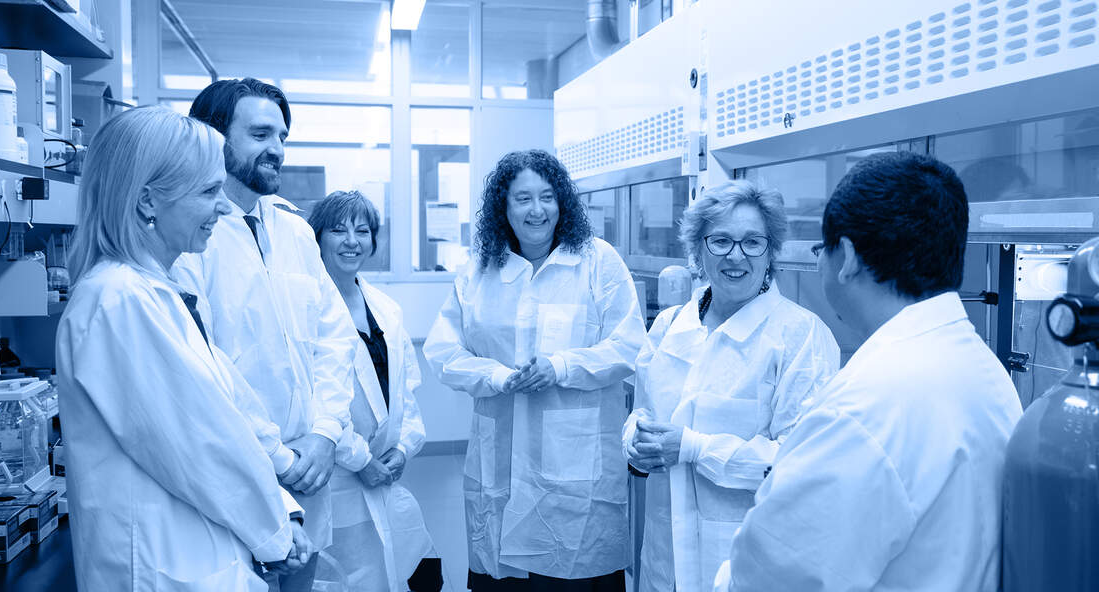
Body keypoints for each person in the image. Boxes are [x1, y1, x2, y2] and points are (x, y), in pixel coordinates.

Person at [715, 152, 1024, 591]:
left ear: (849, 259)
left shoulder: (862, 407)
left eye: (824, 250)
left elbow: (770, 577)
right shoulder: (982, 370)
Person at [56, 106, 313, 591]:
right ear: (149, 201)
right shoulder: (120, 300)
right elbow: (201, 444)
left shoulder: (157, 291)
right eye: (208, 191)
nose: (223, 207)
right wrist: (276, 532)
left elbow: (231, 412)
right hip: (164, 568)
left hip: (198, 559)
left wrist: (280, 512)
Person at [424, 149, 647, 591]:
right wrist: (498, 376)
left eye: (547, 197)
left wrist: (560, 366)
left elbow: (629, 345)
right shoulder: (481, 270)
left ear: (562, 202)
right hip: (498, 465)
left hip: (577, 475)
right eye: (522, 198)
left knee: (573, 573)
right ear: (503, 209)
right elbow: (443, 351)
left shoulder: (598, 261)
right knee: (503, 578)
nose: (536, 209)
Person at [171, 78, 358, 592]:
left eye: (282, 135)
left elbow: (334, 340)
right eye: (259, 133)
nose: (276, 148)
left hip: (311, 470)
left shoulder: (294, 229)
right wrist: (276, 454)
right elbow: (200, 366)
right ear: (213, 136)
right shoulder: (188, 237)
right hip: (236, 474)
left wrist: (324, 434)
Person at [623, 180, 841, 592]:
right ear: (699, 250)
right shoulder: (670, 326)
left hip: (746, 565)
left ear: (771, 252)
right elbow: (642, 414)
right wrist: (634, 442)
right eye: (720, 240)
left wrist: (693, 447)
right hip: (663, 561)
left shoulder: (800, 337)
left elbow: (800, 464)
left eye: (752, 242)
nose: (736, 256)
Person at [308, 190, 444, 592]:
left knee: (421, 571)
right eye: (338, 230)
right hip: (336, 479)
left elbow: (406, 393)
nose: (352, 241)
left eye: (362, 231)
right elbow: (315, 399)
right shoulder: (307, 306)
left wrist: (403, 449)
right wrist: (360, 459)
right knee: (348, 578)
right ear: (317, 238)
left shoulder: (385, 308)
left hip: (384, 477)